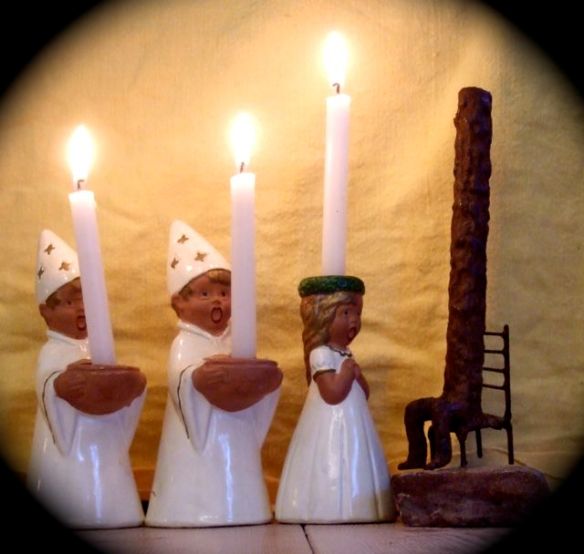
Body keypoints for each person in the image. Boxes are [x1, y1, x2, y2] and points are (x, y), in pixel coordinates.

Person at [146, 220, 282, 527]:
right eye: (205, 294)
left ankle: (243, 506)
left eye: (224, 292)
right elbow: (181, 379)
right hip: (194, 442)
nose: (218, 300)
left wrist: (264, 383)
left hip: (235, 434)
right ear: (179, 304)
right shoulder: (185, 343)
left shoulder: (237, 339)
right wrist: (199, 378)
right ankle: (187, 508)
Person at [28, 229, 146, 528]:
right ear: (46, 312)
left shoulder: (100, 348)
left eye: (88, 300)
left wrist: (131, 389)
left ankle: (113, 507)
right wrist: (60, 385)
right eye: (70, 303)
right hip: (64, 453)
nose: (82, 309)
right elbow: (47, 385)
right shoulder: (53, 351)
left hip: (103, 445)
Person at [275, 275, 395, 523]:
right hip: (328, 424)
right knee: (328, 460)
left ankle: (361, 505)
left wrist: (358, 376)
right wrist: (348, 373)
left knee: (356, 459)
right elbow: (331, 394)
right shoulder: (320, 354)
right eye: (346, 313)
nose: (354, 320)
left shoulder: (346, 352)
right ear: (323, 317)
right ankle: (325, 505)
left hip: (354, 425)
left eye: (357, 313)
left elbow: (363, 393)